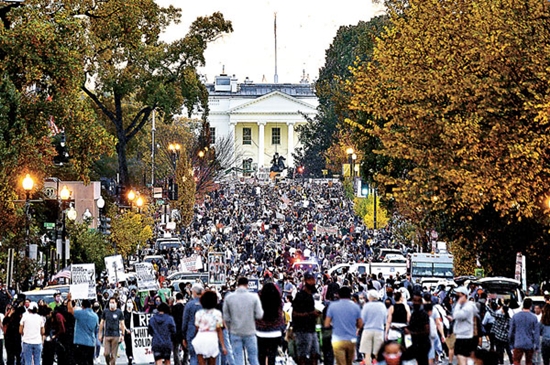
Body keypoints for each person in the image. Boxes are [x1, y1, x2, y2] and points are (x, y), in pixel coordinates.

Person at [223, 276, 264, 365]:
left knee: (238, 358)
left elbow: (226, 318)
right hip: (250, 331)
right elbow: (259, 315)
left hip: (235, 331)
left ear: (237, 284)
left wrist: (230, 328)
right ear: (247, 284)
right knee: (253, 358)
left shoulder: (229, 298)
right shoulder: (254, 297)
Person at [324, 286, 363, 365]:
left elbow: (326, 324)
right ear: (350, 295)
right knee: (349, 362)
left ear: (338, 295)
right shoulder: (356, 307)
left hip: (337, 340)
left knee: (341, 362)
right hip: (351, 339)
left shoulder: (333, 306)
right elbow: (360, 324)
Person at [291, 272, 321, 365]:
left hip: (311, 329)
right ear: (305, 281)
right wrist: (310, 314)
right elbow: (295, 314)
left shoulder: (311, 296)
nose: (312, 282)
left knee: (315, 354)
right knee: (302, 355)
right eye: (310, 280)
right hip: (302, 330)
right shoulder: (300, 296)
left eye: (313, 279)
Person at [191, 290, 227, 365]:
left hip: (200, 337)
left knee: (201, 362)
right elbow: (219, 330)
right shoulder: (217, 313)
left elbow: (197, 328)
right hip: (212, 338)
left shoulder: (198, 313)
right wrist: (223, 346)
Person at [256, 282, 286, 365]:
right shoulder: (278, 301)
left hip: (260, 332)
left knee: (261, 356)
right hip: (275, 332)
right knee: (272, 357)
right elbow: (280, 316)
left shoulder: (259, 300)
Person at [67, 293, 99, 365]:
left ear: (82, 306)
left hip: (80, 342)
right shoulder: (95, 316)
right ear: (91, 306)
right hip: (91, 343)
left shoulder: (80, 313)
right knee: (89, 361)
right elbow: (96, 328)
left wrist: (69, 300)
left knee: (81, 362)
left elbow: (70, 310)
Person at [360, 289, 387, 365]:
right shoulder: (382, 306)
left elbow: (362, 319)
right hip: (379, 330)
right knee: (378, 352)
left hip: (367, 330)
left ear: (369, 297)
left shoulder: (366, 306)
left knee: (367, 353)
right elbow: (385, 320)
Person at [509, 297, 539, 365]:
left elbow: (511, 331)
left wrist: (511, 343)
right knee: (529, 362)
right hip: (529, 343)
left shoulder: (515, 316)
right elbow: (536, 333)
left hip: (518, 342)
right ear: (531, 306)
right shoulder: (534, 317)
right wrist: (536, 346)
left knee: (516, 361)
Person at [453, 286, 478, 365]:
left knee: (462, 357)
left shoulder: (468, 307)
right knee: (463, 358)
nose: (457, 297)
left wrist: (458, 303)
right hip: (462, 335)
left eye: (459, 295)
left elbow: (457, 315)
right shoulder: (466, 306)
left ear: (464, 295)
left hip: (464, 336)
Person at [99, 297, 126, 365]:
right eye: (110, 302)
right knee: (106, 353)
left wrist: (123, 335)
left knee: (114, 355)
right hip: (107, 335)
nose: (112, 304)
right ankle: (108, 363)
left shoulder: (119, 312)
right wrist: (100, 334)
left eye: (113, 302)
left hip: (115, 335)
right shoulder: (105, 311)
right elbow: (102, 323)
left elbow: (122, 324)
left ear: (116, 303)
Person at [182, 283, 204, 365]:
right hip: (204, 332)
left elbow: (185, 321)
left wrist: (183, 336)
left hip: (191, 332)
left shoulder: (189, 305)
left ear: (194, 292)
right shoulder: (205, 304)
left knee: (193, 356)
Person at [407, 292, 431, 365]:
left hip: (423, 343)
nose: (415, 303)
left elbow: (427, 330)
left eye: (417, 301)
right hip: (416, 342)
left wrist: (412, 333)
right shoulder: (414, 313)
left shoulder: (423, 314)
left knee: (423, 361)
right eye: (414, 300)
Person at [171, 292, 186, 365]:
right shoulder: (185, 307)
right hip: (184, 330)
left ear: (176, 299)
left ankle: (177, 362)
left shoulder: (173, 308)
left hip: (175, 330)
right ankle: (185, 362)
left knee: (175, 348)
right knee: (186, 349)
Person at [124, 298, 135, 365]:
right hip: (127, 331)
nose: (129, 303)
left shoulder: (135, 312)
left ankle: (133, 357)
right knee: (128, 345)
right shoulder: (124, 313)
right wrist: (126, 330)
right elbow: (122, 322)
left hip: (133, 332)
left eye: (130, 302)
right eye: (128, 302)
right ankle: (129, 357)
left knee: (133, 345)